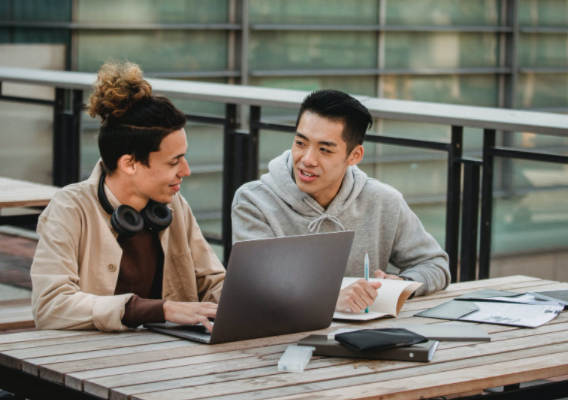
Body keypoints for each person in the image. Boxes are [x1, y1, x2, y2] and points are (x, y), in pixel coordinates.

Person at [31, 62, 224, 332]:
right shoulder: (69, 208)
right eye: (173, 162)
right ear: (129, 164)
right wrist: (159, 309)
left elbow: (212, 281)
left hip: (169, 359)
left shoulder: (174, 204)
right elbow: (50, 307)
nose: (187, 171)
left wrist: (250, 302)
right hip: (90, 362)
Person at [232, 89, 450, 313]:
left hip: (365, 339)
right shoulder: (254, 201)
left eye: (324, 149)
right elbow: (256, 288)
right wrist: (332, 299)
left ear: (355, 155)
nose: (307, 159)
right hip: (280, 341)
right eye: (300, 143)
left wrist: (401, 285)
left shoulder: (384, 201)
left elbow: (435, 265)